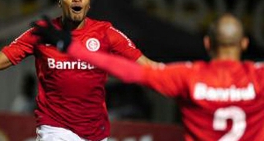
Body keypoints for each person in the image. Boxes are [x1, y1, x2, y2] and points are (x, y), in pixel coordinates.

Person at [0, 0, 154, 141]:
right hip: (54, 127)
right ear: (60, 2)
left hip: (96, 130)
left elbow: (148, 68)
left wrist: (185, 77)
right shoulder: (42, 33)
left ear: (89, 3)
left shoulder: (106, 32)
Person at [36, 13, 264, 141]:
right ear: (244, 44)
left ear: (207, 43)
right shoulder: (259, 76)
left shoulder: (187, 75)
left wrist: (71, 47)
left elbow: (128, 71)